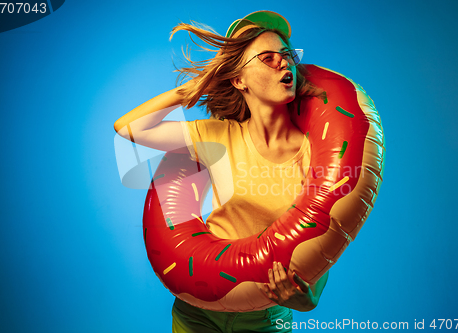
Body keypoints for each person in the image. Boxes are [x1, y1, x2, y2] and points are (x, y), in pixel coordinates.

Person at [114, 11, 329, 333]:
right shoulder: (218, 135)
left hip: (265, 316)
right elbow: (130, 128)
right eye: (268, 58)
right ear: (239, 79)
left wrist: (307, 298)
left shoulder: (315, 155)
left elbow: (322, 232)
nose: (284, 64)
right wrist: (197, 87)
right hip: (199, 309)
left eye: (287, 56)